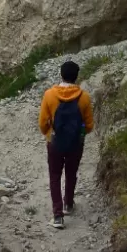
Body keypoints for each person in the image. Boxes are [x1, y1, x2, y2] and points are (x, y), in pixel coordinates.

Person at [39, 59, 94, 230]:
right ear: (76, 77)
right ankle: (68, 204)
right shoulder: (84, 97)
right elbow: (90, 125)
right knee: (71, 174)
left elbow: (42, 123)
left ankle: (57, 216)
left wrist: (49, 133)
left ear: (61, 75)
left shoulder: (49, 95)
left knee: (55, 176)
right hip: (75, 143)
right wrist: (80, 135)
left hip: (54, 142)